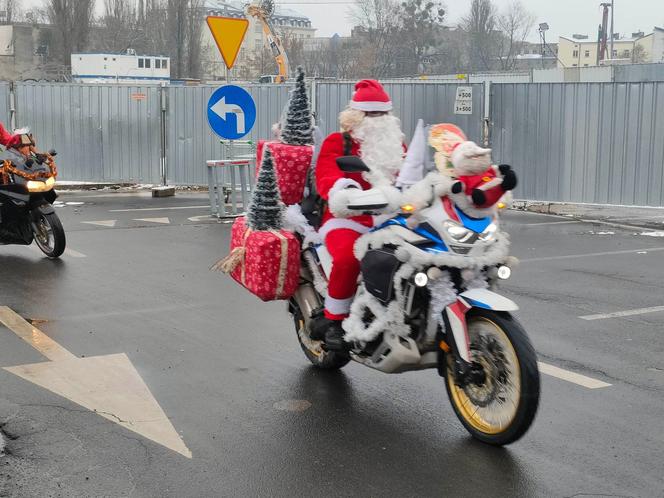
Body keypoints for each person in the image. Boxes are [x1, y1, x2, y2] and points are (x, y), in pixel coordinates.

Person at [315, 79, 405, 351]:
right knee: (346, 258)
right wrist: (345, 190)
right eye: (372, 114)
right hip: (348, 218)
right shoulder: (339, 142)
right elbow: (326, 176)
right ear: (357, 115)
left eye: (383, 114)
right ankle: (334, 319)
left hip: (389, 217)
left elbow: (410, 174)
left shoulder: (397, 144)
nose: (378, 120)